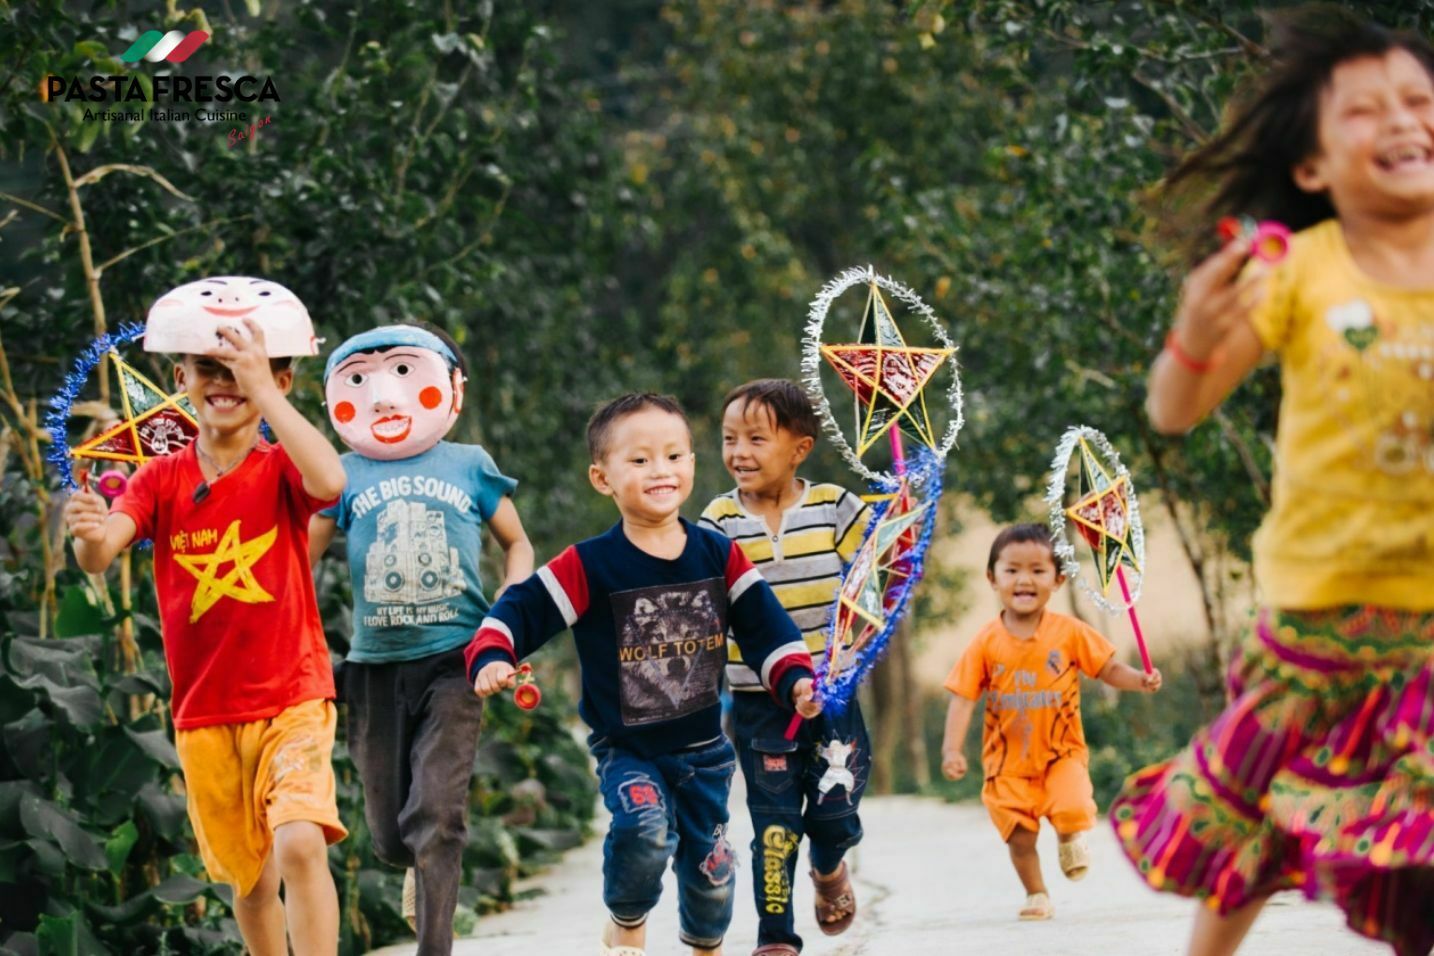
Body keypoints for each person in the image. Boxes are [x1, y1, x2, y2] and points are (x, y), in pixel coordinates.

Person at [1110, 8, 1434, 955]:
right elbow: (1176, 409)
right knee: (1257, 825)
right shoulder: (1298, 270)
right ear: (1312, 169)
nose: (1404, 121)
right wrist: (1193, 335)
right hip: (1318, 613)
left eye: (1419, 100)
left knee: (1420, 841)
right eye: (1366, 111)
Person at [465, 393, 821, 956]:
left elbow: (766, 628)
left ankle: (704, 941)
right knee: (643, 829)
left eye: (675, 455)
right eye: (640, 460)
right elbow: (520, 610)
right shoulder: (589, 565)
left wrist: (797, 680)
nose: (661, 470)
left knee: (711, 884)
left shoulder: (718, 554)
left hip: (705, 753)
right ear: (601, 478)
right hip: (628, 747)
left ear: (691, 466)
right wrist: (493, 655)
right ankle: (627, 920)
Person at [63, 277, 347, 956]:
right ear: (179, 376)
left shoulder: (282, 470)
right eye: (209, 368)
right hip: (206, 715)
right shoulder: (157, 480)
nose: (226, 383)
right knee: (249, 881)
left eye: (244, 369)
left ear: (279, 377)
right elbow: (101, 554)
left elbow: (332, 482)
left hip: (293, 699)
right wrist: (86, 531)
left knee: (301, 842)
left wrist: (267, 390)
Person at [309, 323, 533, 953]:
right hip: (372, 668)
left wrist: (507, 618)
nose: (384, 398)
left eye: (403, 374)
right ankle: (415, 866)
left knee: (437, 815)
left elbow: (516, 543)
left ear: (450, 388)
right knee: (388, 834)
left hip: (456, 661)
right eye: (361, 382)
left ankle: (434, 941)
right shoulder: (341, 474)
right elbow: (296, 566)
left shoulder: (470, 464)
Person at [698, 379, 871, 956]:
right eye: (729, 439)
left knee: (835, 810)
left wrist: (854, 650)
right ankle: (776, 937)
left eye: (755, 439)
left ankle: (829, 867)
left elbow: (879, 586)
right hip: (756, 700)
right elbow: (704, 603)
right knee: (773, 822)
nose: (738, 452)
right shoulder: (717, 522)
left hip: (834, 695)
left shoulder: (833, 506)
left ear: (799, 447)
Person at [940, 523, 1161, 921]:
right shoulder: (986, 641)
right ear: (992, 578)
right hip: (1006, 763)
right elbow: (963, 697)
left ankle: (1069, 833)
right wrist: (952, 749)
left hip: (1062, 753)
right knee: (1020, 836)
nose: (1025, 579)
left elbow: (1107, 668)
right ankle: (1036, 892)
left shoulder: (1069, 633)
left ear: (1057, 580)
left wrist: (1139, 680)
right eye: (1012, 570)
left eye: (1038, 571)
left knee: (1073, 805)